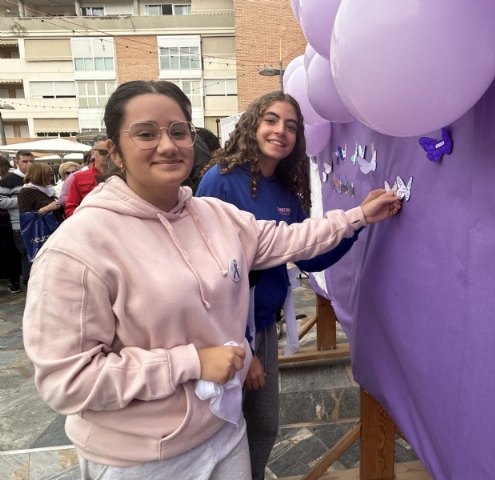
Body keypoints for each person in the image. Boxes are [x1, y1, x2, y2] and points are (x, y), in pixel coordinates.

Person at [22, 80, 400, 479]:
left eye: (179, 131)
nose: (168, 145)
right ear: (114, 149)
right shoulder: (78, 247)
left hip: (224, 431)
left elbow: (293, 238)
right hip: (141, 458)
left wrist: (359, 215)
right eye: (147, 133)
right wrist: (191, 362)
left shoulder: (217, 218)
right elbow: (67, 380)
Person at [196, 91, 368, 479]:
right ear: (252, 124)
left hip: (265, 328)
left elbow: (309, 257)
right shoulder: (221, 181)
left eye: (291, 126)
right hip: (225, 334)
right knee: (222, 431)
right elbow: (210, 277)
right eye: (271, 120)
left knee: (263, 427)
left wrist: (358, 225)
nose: (281, 131)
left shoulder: (288, 189)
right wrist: (241, 347)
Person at [0, 150, 35, 290]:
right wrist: (23, 200)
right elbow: (1, 202)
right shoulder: (8, 180)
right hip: (20, 225)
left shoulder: (36, 177)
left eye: (31, 161)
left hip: (38, 223)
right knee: (26, 257)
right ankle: (29, 288)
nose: (28, 164)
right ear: (17, 162)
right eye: (25, 161)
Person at [64, 134, 109, 216]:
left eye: (111, 152)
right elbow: (70, 209)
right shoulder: (79, 177)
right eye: (103, 152)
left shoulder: (124, 176)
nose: (108, 155)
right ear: (93, 153)